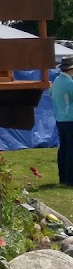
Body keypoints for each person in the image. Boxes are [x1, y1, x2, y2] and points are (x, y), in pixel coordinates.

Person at [51, 55, 73, 186]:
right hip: (70, 119)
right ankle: (70, 179)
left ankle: (63, 177)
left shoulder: (56, 81)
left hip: (60, 118)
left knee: (63, 148)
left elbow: (51, 95)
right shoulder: (69, 83)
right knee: (71, 149)